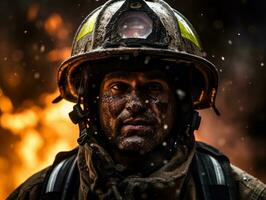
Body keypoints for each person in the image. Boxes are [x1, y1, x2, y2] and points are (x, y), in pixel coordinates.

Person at [7, 0, 266, 199]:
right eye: (118, 88)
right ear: (92, 104)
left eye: (153, 88)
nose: (135, 104)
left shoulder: (234, 192)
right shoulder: (44, 193)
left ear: (182, 104)